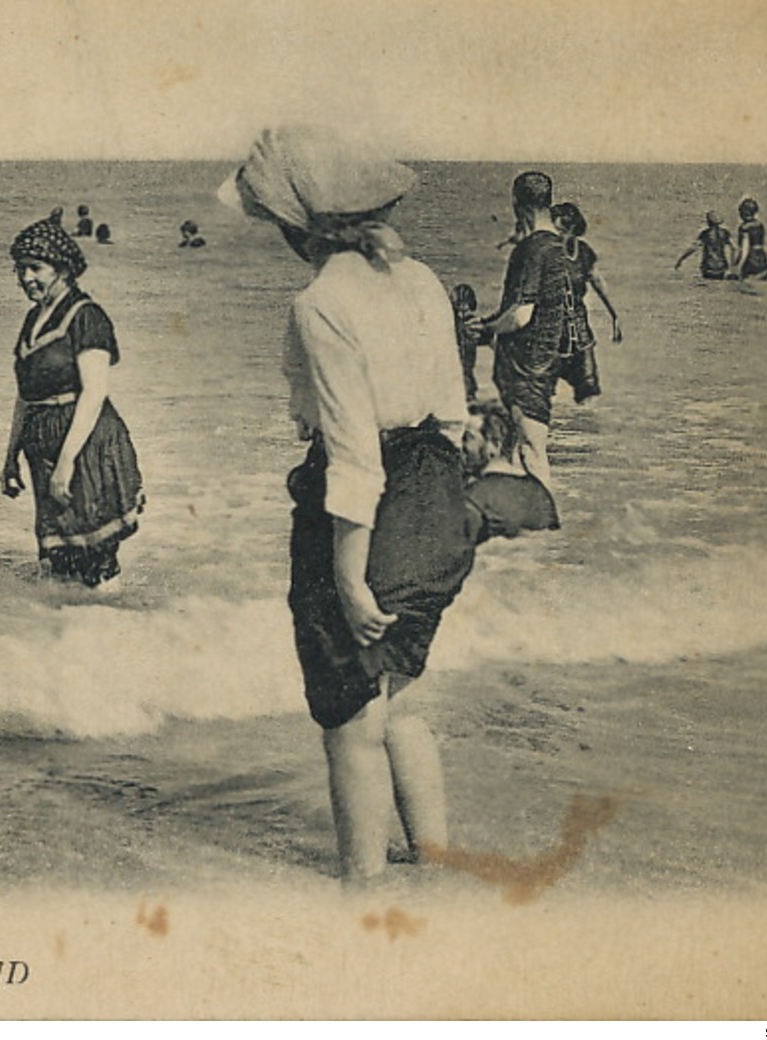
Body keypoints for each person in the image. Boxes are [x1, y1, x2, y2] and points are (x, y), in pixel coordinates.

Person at [224, 124, 473, 885]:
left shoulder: (321, 302)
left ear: (295, 228)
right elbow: (454, 413)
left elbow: (353, 453)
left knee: (347, 717)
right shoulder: (422, 277)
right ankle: (432, 862)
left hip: (375, 505)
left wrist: (349, 573)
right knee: (396, 699)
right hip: (437, 496)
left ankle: (361, 889)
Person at [0, 218, 144, 589]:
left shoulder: (86, 316)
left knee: (96, 564)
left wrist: (66, 463)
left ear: (62, 268)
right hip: (42, 445)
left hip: (86, 447)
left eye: (35, 268)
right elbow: (25, 393)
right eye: (20, 269)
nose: (25, 278)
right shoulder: (34, 318)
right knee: (58, 564)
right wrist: (9, 457)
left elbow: (94, 393)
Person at [477, 171, 571, 488]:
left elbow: (521, 316)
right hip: (545, 360)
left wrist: (487, 328)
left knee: (531, 450)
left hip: (526, 366)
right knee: (519, 449)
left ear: (517, 203)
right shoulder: (558, 246)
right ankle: (525, 527)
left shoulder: (531, 249)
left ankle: (546, 529)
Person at [462, 400, 560, 546]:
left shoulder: (476, 496)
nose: (461, 446)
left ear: (494, 444)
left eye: (468, 438)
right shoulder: (540, 492)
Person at [551, 202, 622, 405]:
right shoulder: (544, 253)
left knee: (588, 391)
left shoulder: (583, 253)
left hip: (580, 333)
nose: (556, 235)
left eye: (560, 230)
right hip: (550, 334)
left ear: (572, 229)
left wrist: (614, 317)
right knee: (543, 394)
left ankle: (586, 436)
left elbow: (598, 282)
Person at [675, 211, 732, 280]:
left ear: (708, 222)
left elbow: (694, 248)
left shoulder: (705, 234)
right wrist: (733, 265)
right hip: (721, 267)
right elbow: (735, 248)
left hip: (708, 267)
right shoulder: (725, 233)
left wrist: (681, 259)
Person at [450, 283, 482, 403]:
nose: (463, 309)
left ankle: (468, 398)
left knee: (465, 375)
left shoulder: (470, 322)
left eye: (465, 305)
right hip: (461, 364)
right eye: (460, 305)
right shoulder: (454, 323)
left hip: (465, 364)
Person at [733, 196, 767, 279]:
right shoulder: (759, 225)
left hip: (751, 263)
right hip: (763, 262)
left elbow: (745, 249)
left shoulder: (744, 227)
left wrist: (737, 267)